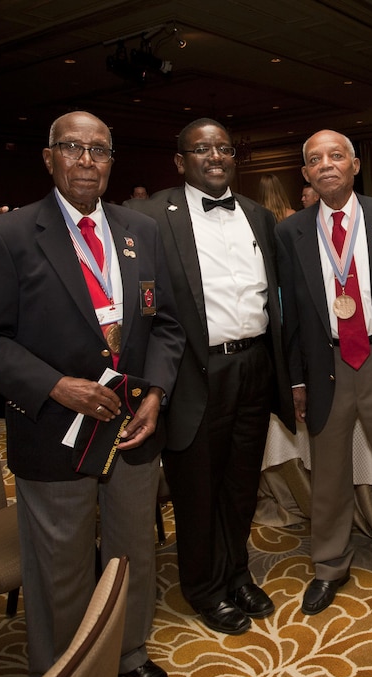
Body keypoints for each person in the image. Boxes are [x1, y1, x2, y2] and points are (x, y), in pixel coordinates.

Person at [0, 111, 184, 677]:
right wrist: (56, 385)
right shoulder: (9, 236)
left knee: (132, 550)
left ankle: (130, 650)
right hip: (56, 426)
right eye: (72, 148)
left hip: (132, 426)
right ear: (49, 157)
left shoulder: (142, 230)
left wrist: (157, 393)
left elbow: (166, 325)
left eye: (99, 151)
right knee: (59, 560)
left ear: (113, 161)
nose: (86, 161)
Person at [133, 118, 295, 636]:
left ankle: (236, 572)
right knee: (198, 487)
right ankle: (203, 586)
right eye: (202, 149)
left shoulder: (256, 214)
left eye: (224, 147)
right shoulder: (151, 215)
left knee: (241, 483)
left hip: (253, 366)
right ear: (181, 161)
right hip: (193, 372)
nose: (216, 156)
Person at [275, 130, 372, 615]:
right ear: (306, 175)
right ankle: (329, 564)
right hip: (325, 364)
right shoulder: (291, 230)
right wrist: (295, 379)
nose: (327, 165)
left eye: (336, 156)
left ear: (355, 165)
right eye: (315, 159)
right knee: (329, 471)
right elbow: (291, 315)